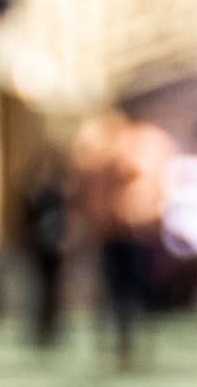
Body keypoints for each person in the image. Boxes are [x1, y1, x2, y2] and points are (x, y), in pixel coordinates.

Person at [72, 107, 174, 369]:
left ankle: (135, 342)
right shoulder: (101, 161)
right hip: (114, 235)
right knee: (116, 292)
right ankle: (122, 342)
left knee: (136, 291)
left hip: (135, 234)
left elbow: (144, 182)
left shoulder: (136, 154)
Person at [18, 141, 72, 348]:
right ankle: (38, 327)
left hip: (55, 247)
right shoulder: (32, 192)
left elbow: (65, 218)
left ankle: (52, 326)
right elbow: (25, 220)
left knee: (53, 287)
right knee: (36, 286)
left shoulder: (59, 193)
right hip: (37, 247)